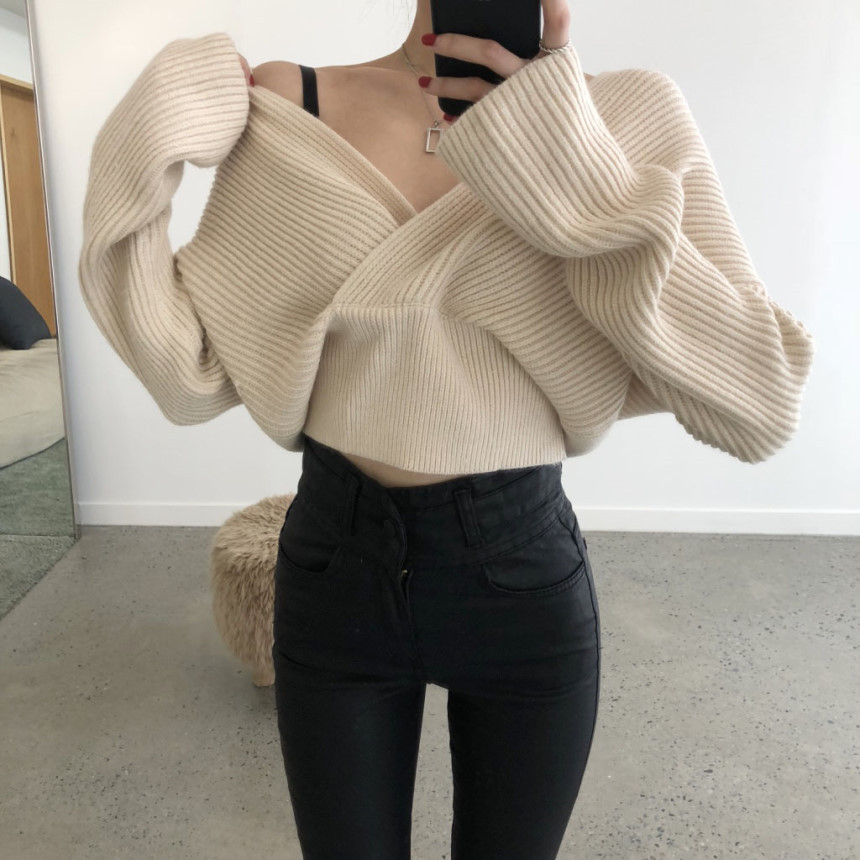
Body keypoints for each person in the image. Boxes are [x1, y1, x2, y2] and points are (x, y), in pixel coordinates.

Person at [77, 0, 814, 856]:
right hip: (337, 562)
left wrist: (568, 164)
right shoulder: (290, 101)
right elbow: (189, 376)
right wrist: (152, 125)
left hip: (521, 575)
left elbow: (759, 401)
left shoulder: (627, 113)